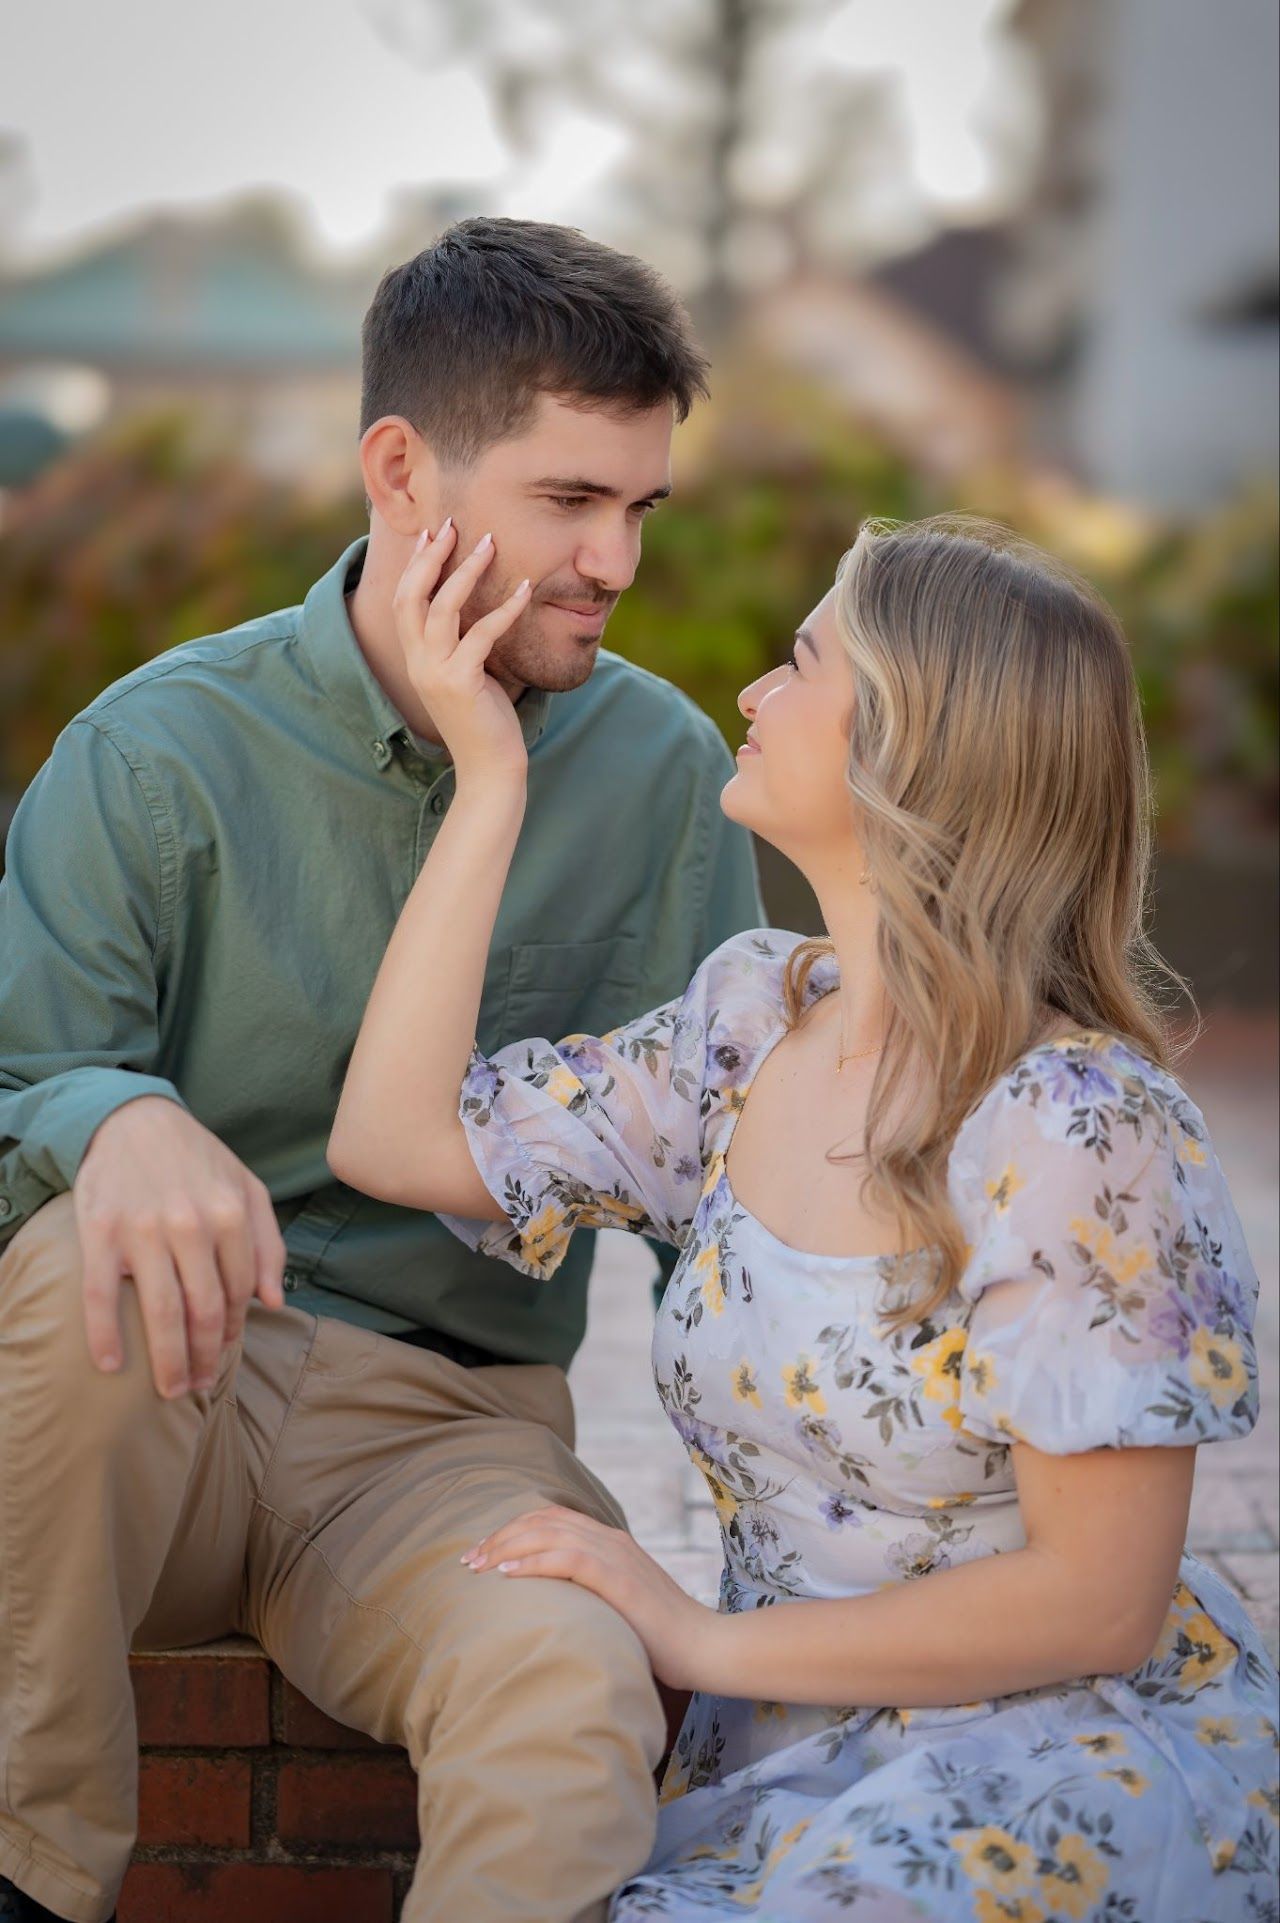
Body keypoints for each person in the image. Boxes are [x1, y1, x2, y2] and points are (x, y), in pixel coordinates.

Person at [329, 512, 1277, 1921]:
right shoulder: (748, 1027)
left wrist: (690, 1635)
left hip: (1045, 1772)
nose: (755, 698)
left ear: (913, 745)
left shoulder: (1083, 1127)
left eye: (800, 663)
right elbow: (392, 1138)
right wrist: (488, 784)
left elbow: (1097, 1606)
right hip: (777, 1761)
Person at [0, 218, 763, 1923]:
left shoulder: (656, 772)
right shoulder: (154, 756)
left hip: (449, 1440)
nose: (616, 562)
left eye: (640, 508)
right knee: (76, 1256)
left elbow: (726, 1192)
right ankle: (27, 1877)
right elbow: (17, 1065)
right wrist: (108, 1112)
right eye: (570, 500)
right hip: (159, 1407)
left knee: (572, 1689)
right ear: (403, 470)